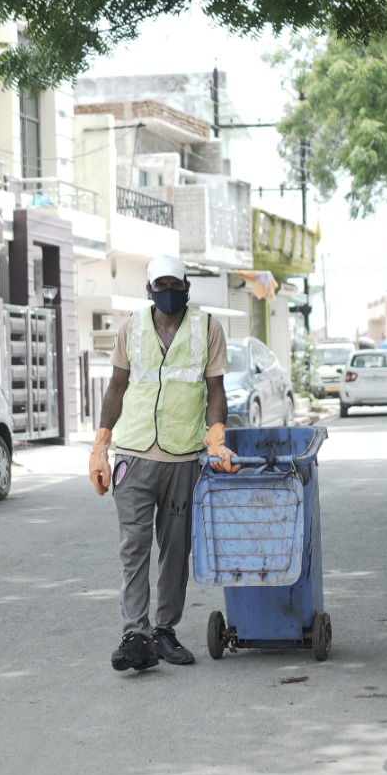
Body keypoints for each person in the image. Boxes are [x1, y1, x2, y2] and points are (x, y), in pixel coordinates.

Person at [90, 255, 235, 672]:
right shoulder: (130, 328)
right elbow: (116, 387)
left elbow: (216, 389)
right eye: (161, 284)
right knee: (133, 549)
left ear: (187, 286)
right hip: (133, 457)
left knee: (175, 550)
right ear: (149, 290)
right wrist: (102, 441)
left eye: (175, 283)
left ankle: (164, 631)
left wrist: (216, 433)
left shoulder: (207, 327)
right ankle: (134, 634)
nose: (168, 291)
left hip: (183, 456)